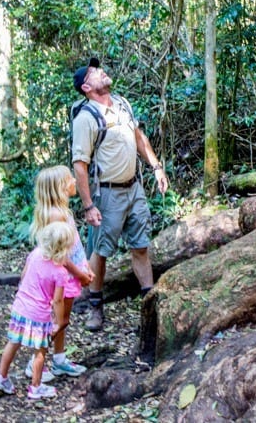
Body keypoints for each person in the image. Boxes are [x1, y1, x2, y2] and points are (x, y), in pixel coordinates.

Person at [71, 57, 169, 331]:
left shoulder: (122, 103)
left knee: (140, 247)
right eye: (95, 72)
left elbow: (139, 138)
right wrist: (89, 206)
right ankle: (95, 308)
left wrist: (156, 167)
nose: (102, 72)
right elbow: (80, 165)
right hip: (108, 194)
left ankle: (150, 304)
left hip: (134, 189)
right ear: (87, 86)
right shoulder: (86, 118)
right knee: (101, 252)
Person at [23, 165, 94, 382]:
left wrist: (86, 267)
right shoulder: (55, 216)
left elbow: (75, 246)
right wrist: (80, 274)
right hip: (62, 275)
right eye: (70, 178)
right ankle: (35, 363)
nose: (75, 180)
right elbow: (60, 256)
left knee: (64, 319)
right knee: (56, 321)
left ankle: (60, 359)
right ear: (60, 187)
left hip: (72, 273)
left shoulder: (64, 212)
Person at [0, 221, 73, 400]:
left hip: (20, 307)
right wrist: (58, 321)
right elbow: (58, 300)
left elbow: (24, 275)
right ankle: (36, 386)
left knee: (13, 342)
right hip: (39, 314)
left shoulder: (34, 255)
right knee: (40, 350)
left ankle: (1, 376)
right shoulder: (60, 272)